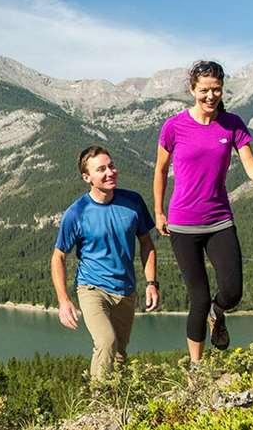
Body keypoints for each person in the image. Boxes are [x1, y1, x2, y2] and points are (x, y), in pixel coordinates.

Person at [152, 60, 253, 365]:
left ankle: (219, 310)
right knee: (197, 298)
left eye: (216, 89)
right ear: (192, 90)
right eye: (203, 90)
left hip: (219, 221)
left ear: (222, 89)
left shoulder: (233, 124)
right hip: (183, 225)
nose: (210, 96)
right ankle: (196, 369)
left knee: (233, 291)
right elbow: (160, 170)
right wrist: (158, 212)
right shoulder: (173, 126)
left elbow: (250, 163)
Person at [51, 145, 158, 381]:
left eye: (111, 166)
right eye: (101, 169)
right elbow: (58, 256)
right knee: (106, 342)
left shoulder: (133, 202)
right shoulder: (77, 212)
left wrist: (151, 283)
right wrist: (63, 300)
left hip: (126, 291)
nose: (110, 172)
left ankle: (118, 403)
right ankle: (98, 402)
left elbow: (147, 244)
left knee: (119, 354)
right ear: (87, 177)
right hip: (92, 288)